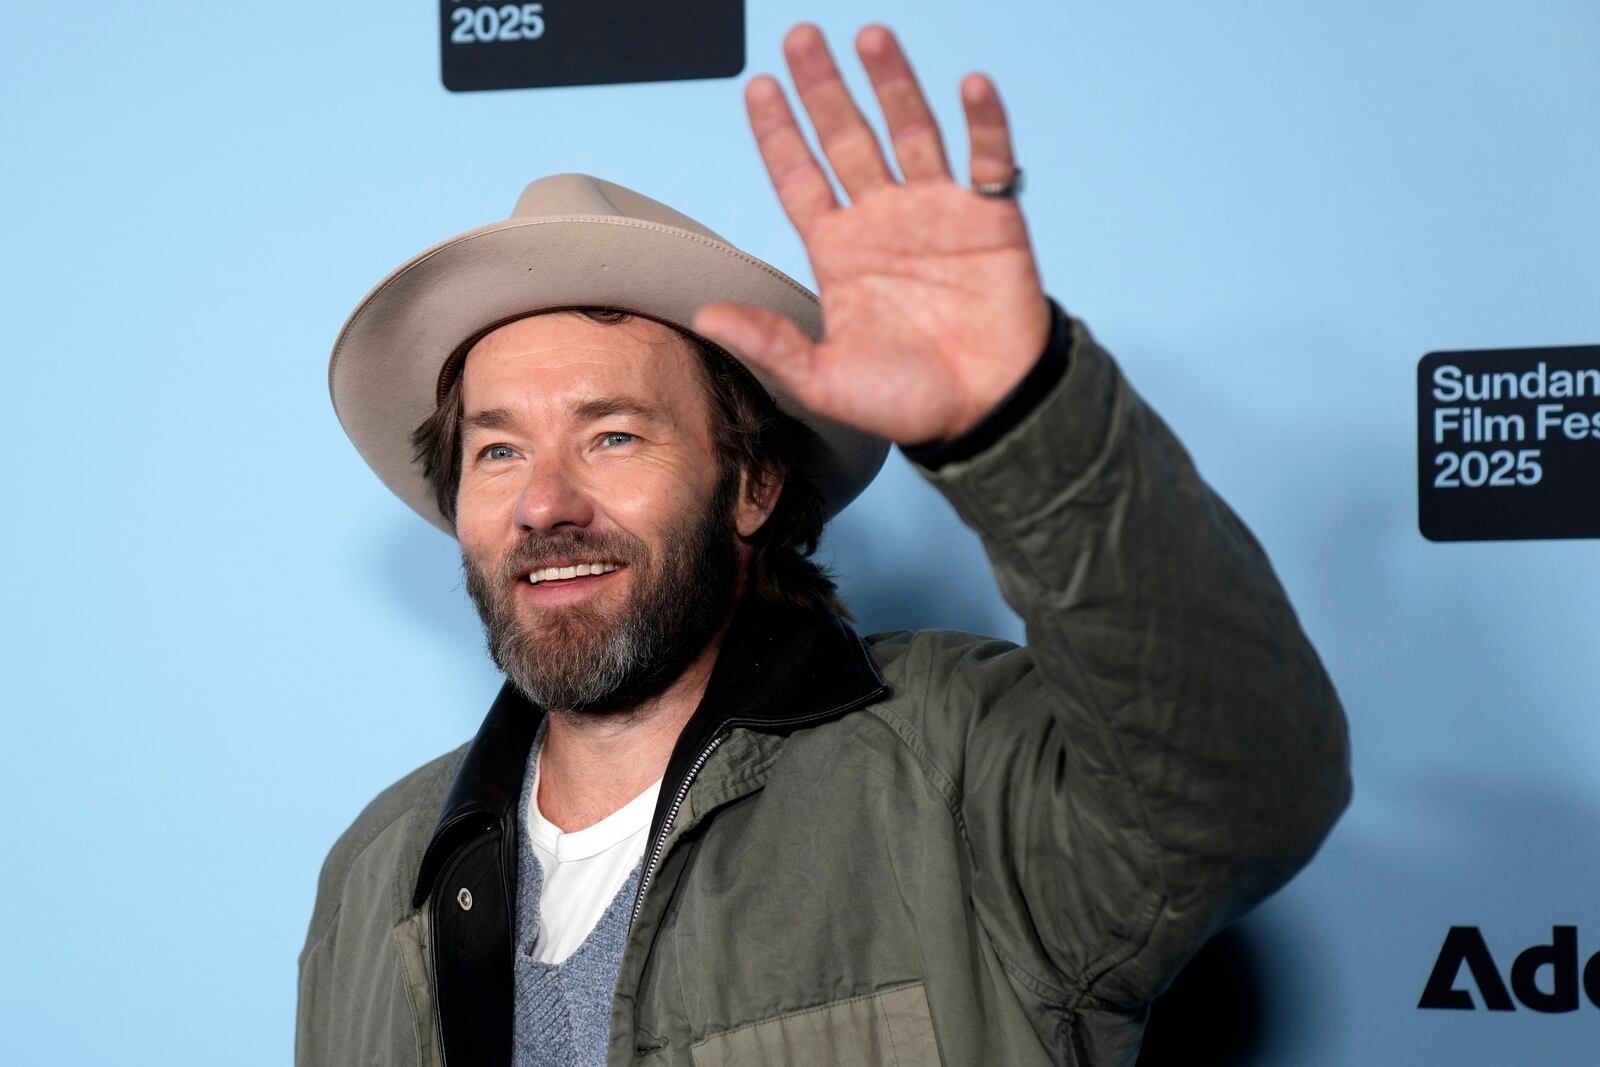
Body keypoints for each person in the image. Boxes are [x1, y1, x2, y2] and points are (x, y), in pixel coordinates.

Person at [299, 23, 1349, 1067]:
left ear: (753, 483)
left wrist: (1025, 419)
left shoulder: (957, 769)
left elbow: (1240, 790)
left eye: (612, 434)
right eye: (497, 452)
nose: (544, 502)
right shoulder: (379, 865)